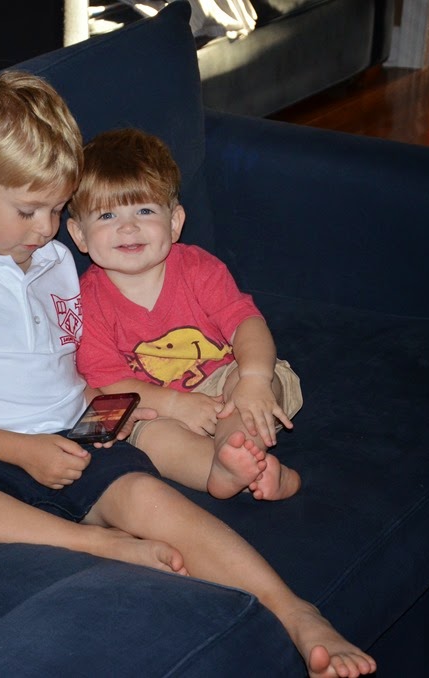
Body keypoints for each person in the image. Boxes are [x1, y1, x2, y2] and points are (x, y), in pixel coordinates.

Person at [0, 71, 376, 677]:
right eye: (28, 210)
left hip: (76, 431)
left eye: (57, 209)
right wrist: (25, 451)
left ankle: (295, 612)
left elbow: (78, 372)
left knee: (148, 490)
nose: (45, 229)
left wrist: (133, 409)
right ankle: (93, 542)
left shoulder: (55, 262)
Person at [67, 127, 303, 502]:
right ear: (79, 235)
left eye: (144, 210)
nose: (128, 227)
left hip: (224, 378)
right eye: (107, 215)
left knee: (255, 383)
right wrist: (176, 405)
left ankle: (237, 449)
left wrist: (254, 378)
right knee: (151, 439)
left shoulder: (198, 269)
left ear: (175, 222)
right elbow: (112, 384)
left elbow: (246, 324)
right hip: (156, 402)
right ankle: (228, 469)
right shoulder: (85, 303)